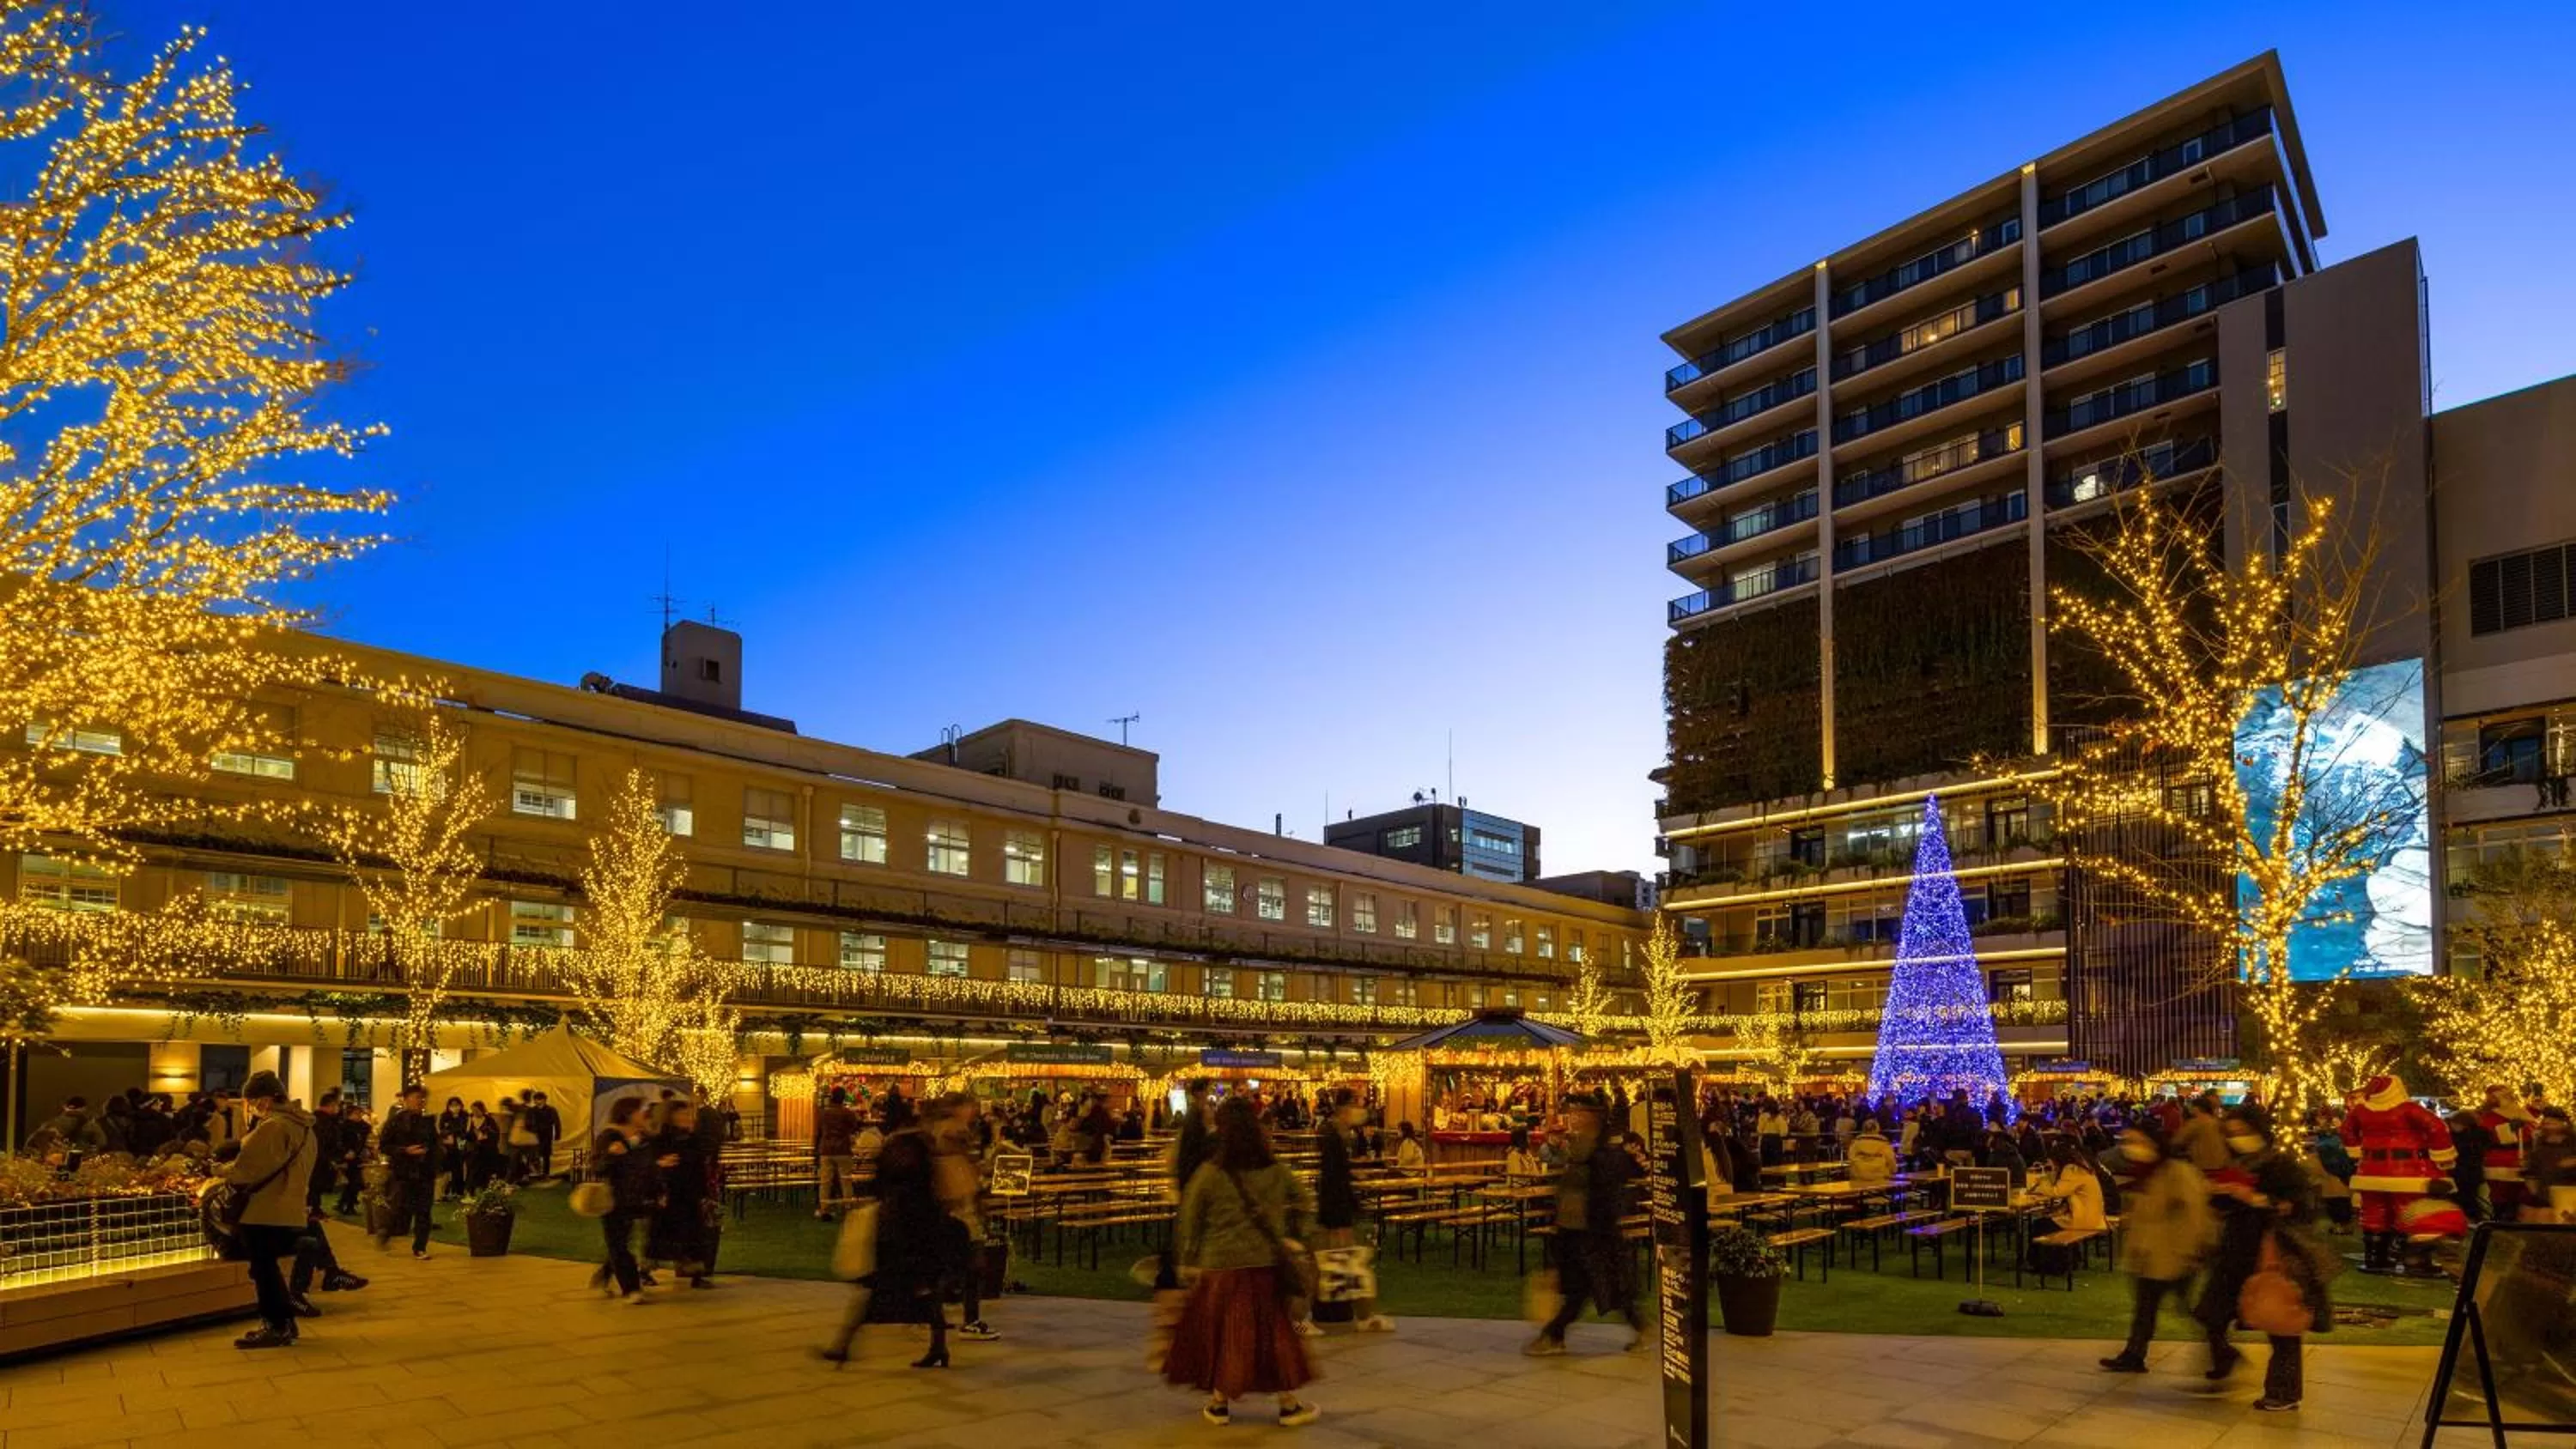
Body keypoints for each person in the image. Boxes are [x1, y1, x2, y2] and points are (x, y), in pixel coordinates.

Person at [1165, 1096, 1321, 1427]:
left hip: (1219, 1267)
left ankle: (1220, 1402)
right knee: (1272, 1336)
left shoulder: (1209, 1174)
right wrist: (1296, 1236)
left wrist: (1188, 1260)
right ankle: (1288, 1404)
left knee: (1224, 1335)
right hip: (1263, 1264)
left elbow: (1190, 1220)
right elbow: (1305, 1202)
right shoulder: (1275, 1171)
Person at [2196, 1103, 2329, 1412]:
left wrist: (2257, 1199)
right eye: (2232, 1133)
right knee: (2211, 1313)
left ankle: (2284, 1391)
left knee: (2279, 1321)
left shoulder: (2281, 1165)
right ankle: (2224, 1357)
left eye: (2243, 1132)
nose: (2237, 1138)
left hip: (2271, 1253)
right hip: (2235, 1250)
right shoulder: (2238, 1162)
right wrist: (2219, 1194)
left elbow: (2301, 1207)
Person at [818, 1096, 965, 1367]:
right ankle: (938, 1346)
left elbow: (886, 1184)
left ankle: (843, 1344)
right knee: (921, 1289)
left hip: (903, 1227)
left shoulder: (901, 1145)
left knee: (876, 1287)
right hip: (920, 1225)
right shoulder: (922, 1144)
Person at [1527, 1094, 1645, 1357]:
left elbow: (1604, 1194)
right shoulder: (1587, 1151)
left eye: (1583, 1114)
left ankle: (1554, 1335)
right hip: (1578, 1232)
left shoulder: (1600, 1154)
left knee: (1587, 1288)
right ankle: (1639, 1325)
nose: (1577, 1119)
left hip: (1590, 1233)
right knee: (1592, 1288)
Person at [2099, 1122, 2216, 1375]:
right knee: (2145, 1308)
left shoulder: (2178, 1172)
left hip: (2174, 1255)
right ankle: (2134, 1354)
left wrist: (2191, 1250)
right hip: (2149, 1256)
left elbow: (2195, 1214)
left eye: (2137, 1141)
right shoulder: (2148, 1173)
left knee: (2189, 1309)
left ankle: (2222, 1352)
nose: (2131, 1148)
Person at [223, 1070, 317, 1349]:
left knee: (263, 1269)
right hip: (291, 1205)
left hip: (264, 1208)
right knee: (268, 1267)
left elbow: (246, 1170)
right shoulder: (305, 1126)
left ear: (264, 1100)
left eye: (251, 1102)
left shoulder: (273, 1127)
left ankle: (276, 1325)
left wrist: (218, 1171)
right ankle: (285, 1323)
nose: (250, 1109)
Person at [2342, 1073, 2458, 1275]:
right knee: (2412, 1212)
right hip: (2409, 1171)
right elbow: (2437, 1127)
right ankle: (2415, 1259)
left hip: (2370, 1171)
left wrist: (2356, 1150)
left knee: (2374, 1213)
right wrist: (2442, 1155)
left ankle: (2375, 1258)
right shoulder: (2408, 1109)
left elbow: (2346, 1131)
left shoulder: (2361, 1111)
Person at [1301, 1088, 1394, 1336]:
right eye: (1357, 1103)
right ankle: (1298, 1317)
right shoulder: (1332, 1135)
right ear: (1344, 1107)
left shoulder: (1340, 1134)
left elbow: (1338, 1175)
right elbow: (1332, 1179)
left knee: (1349, 1263)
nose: (1361, 1109)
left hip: (1338, 1210)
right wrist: (1338, 1219)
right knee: (1323, 1266)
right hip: (1333, 1212)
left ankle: (1364, 1315)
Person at [591, 1095, 656, 1303]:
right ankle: (631, 1288)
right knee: (618, 1243)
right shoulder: (609, 1137)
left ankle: (604, 1276)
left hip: (637, 1197)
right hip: (613, 1199)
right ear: (628, 1113)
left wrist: (658, 1189)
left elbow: (649, 1168)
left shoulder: (644, 1138)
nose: (643, 1115)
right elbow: (597, 1168)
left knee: (621, 1243)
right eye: (640, 1111)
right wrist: (611, 1155)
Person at [647, 1099, 718, 1288]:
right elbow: (650, 1166)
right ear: (671, 1116)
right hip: (669, 1195)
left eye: (689, 1114)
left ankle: (696, 1274)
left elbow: (698, 1167)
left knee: (694, 1235)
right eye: (683, 1114)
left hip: (690, 1195)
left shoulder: (692, 1139)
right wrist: (660, 1168)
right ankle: (644, 1270)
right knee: (661, 1235)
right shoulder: (661, 1139)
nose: (688, 1118)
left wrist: (704, 1193)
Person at [374, 1083, 440, 1258]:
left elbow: (434, 1145)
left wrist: (434, 1158)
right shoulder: (396, 1121)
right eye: (417, 1097)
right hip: (404, 1172)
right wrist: (405, 1151)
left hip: (424, 1172)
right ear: (406, 1099)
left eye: (422, 1098)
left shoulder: (428, 1121)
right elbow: (384, 1146)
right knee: (399, 1208)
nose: (420, 1101)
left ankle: (420, 1247)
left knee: (424, 1211)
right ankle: (386, 1232)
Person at [815, 1088, 860, 1221]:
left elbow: (819, 1130)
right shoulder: (847, 1113)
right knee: (846, 1180)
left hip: (826, 1149)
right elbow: (854, 1127)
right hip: (843, 1149)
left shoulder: (823, 1113)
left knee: (825, 1182)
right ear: (843, 1098)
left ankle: (824, 1208)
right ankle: (848, 1207)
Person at [2523, 1106, 2573, 1222]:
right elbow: (2532, 1170)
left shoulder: (2572, 1143)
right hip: (2545, 1194)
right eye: (2547, 1123)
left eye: (2553, 1123)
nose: (2549, 1126)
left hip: (2567, 1193)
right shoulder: (2540, 1146)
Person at [27, 1095, 104, 1154]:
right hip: (82, 1162)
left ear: (65, 1107)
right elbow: (102, 1142)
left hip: (53, 1162)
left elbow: (30, 1144)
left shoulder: (51, 1123)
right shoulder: (91, 1126)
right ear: (85, 1108)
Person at [434, 1095, 471, 1199]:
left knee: (459, 1169)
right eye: (452, 1105)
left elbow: (465, 1130)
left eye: (457, 1105)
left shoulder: (465, 1116)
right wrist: (448, 1135)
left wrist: (456, 1134)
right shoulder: (444, 1116)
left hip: (460, 1145)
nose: (455, 1107)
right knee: (446, 1169)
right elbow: (441, 1130)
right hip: (447, 1146)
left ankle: (458, 1191)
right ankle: (444, 1192)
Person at [1847, 1119, 1898, 1189]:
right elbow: (1891, 1159)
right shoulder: (1884, 1144)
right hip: (1880, 1179)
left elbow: (1851, 1157)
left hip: (1859, 1178)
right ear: (1877, 1129)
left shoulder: (1856, 1143)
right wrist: (1894, 1170)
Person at [525, 1090, 562, 1181]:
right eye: (536, 1099)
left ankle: (546, 1174)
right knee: (532, 1155)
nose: (538, 1101)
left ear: (545, 1100)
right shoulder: (531, 1110)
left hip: (546, 1135)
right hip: (534, 1135)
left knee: (546, 1156)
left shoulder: (551, 1110)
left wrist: (557, 1135)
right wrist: (530, 1131)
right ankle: (532, 1174)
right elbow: (527, 1123)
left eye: (540, 1099)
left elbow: (557, 1123)